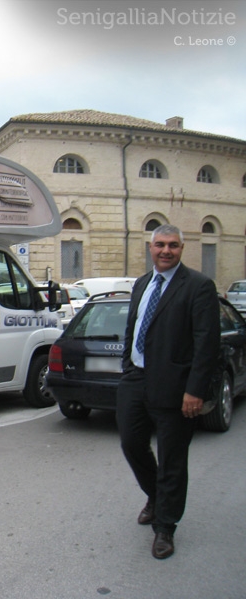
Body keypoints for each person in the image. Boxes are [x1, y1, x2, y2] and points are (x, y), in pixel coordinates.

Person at [116, 224, 220, 559]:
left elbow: (207, 343)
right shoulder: (142, 284)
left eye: (173, 245)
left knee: (173, 458)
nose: (165, 251)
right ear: (150, 248)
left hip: (176, 388)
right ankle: (157, 496)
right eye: (160, 245)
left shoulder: (199, 286)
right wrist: (127, 365)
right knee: (131, 443)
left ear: (181, 249)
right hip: (136, 379)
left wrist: (195, 391)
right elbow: (133, 326)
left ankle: (165, 528)